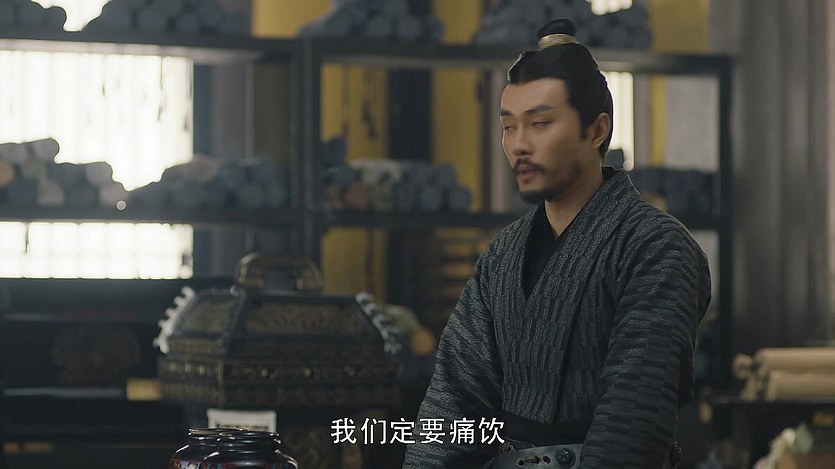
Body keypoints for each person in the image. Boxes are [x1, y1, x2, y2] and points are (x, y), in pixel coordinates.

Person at [402, 18, 711, 469]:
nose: (519, 146)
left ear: (596, 130)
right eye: (509, 127)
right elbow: (454, 399)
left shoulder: (655, 247)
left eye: (540, 124)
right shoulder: (503, 255)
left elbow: (633, 420)